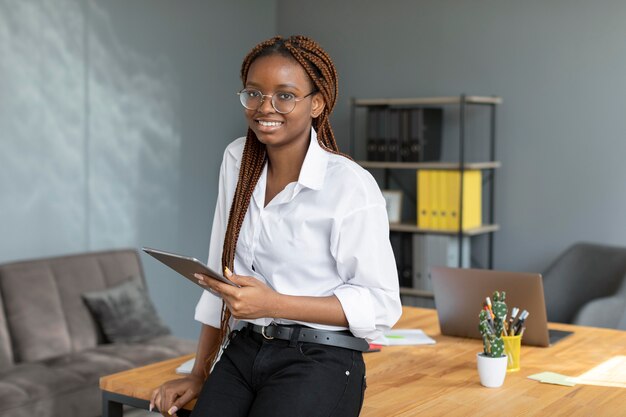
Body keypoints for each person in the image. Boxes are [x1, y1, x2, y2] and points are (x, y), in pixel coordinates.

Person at [150, 34, 402, 417]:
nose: (265, 107)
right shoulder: (237, 160)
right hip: (244, 349)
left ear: (316, 103)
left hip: (320, 357)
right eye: (254, 93)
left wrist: (274, 303)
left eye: (285, 95)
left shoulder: (350, 185)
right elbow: (223, 277)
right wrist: (198, 374)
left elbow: (381, 305)